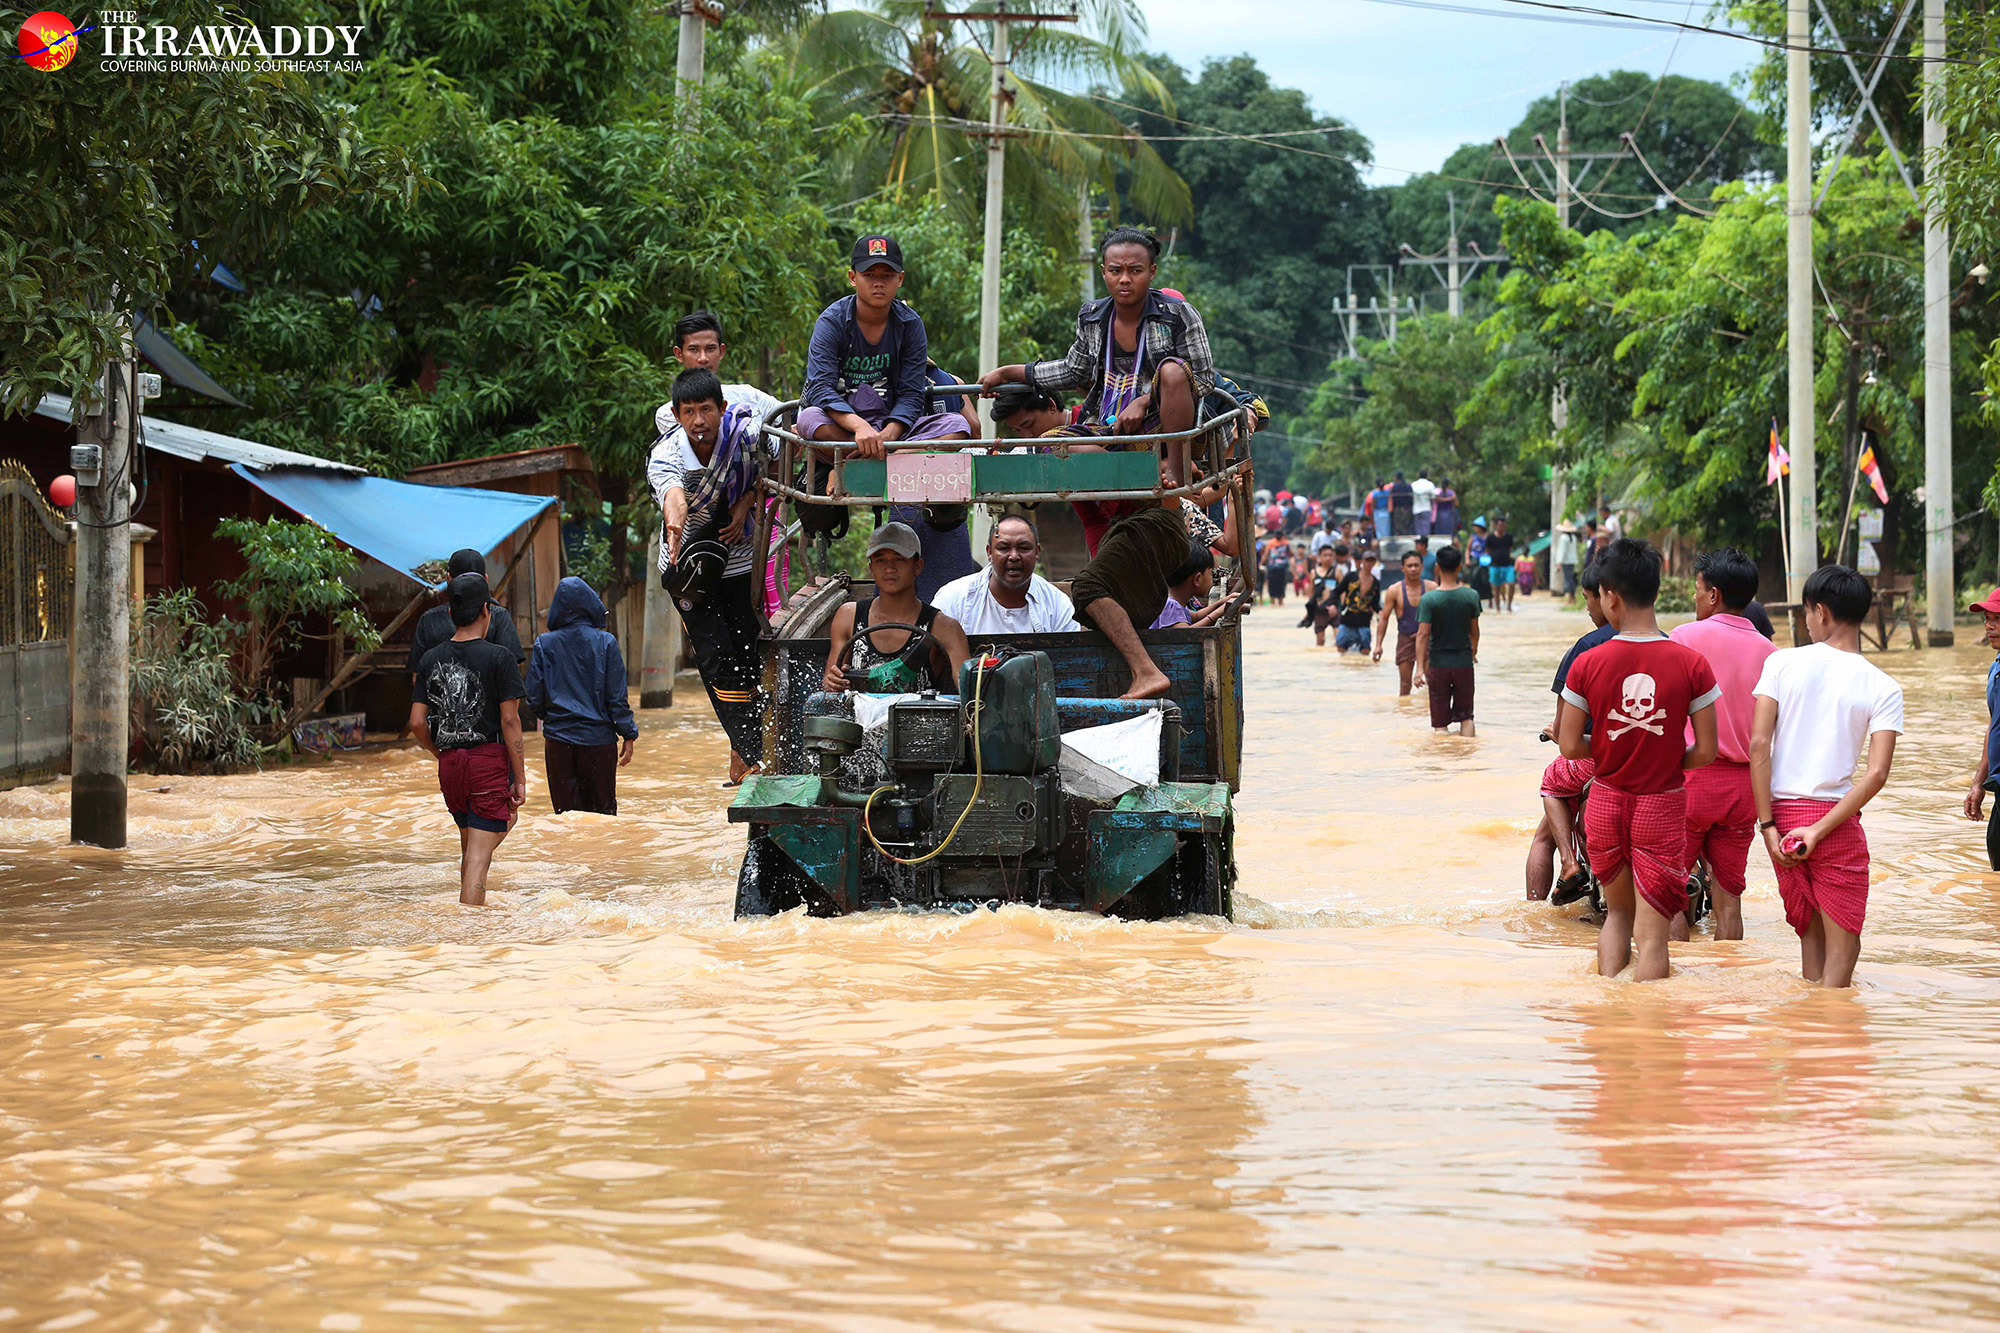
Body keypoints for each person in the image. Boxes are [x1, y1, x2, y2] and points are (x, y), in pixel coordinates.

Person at [1555, 538, 1720, 981]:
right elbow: (1706, 749)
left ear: (1610, 595)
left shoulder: (1588, 661)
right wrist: (1663, 753)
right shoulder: (1692, 663)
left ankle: (1610, 1013)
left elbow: (1569, 745)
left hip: (1606, 801)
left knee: (1617, 916)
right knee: (1653, 934)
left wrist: (1609, 746)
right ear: (1657, 589)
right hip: (1662, 803)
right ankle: (1649, 1028)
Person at [1750, 565, 1903, 988]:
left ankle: (1809, 1037)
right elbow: (1875, 775)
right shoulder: (1883, 685)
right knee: (1845, 945)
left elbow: (1759, 745)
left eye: (1806, 613)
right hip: (1834, 820)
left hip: (1779, 815)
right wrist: (1818, 830)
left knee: (1810, 935)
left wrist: (1767, 826)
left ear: (1820, 611)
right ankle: (1829, 1036)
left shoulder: (1780, 662)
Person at [978, 225, 1213, 497]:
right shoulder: (1091, 316)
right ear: (1104, 272)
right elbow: (1072, 370)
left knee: (1172, 370)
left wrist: (1145, 400)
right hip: (1111, 427)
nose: (1125, 279)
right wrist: (1009, 372)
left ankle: (1176, 469)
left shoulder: (1178, 314)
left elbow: (1204, 379)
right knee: (1053, 442)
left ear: (1152, 272)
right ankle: (1144, 472)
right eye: (1116, 271)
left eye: (1135, 271)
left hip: (1168, 428)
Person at [654, 369, 770, 784]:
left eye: (706, 409)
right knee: (715, 660)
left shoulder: (747, 436)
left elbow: (769, 470)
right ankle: (756, 755)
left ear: (721, 409)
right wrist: (674, 523)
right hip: (687, 569)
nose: (699, 420)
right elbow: (672, 494)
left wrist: (745, 504)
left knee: (751, 654)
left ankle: (764, 746)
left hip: (739, 562)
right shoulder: (666, 455)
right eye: (689, 412)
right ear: (676, 415)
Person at [1667, 548, 1778, 940]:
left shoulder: (1683, 637)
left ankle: (1677, 988)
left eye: (1697, 590)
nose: (1694, 598)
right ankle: (1729, 984)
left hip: (1691, 780)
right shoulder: (1772, 653)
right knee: (1729, 897)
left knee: (1669, 893)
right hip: (1745, 789)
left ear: (1713, 594)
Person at [798, 234, 974, 463]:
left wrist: (887, 436)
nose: (878, 283)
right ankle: (891, 462)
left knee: (958, 425)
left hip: (894, 430)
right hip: (845, 428)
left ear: (900, 279)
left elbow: (911, 394)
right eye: (869, 275)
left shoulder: (910, 324)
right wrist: (860, 427)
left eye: (887, 276)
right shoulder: (832, 321)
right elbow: (821, 388)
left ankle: (882, 460)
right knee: (809, 419)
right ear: (853, 277)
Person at [410, 573, 528, 906]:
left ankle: (465, 926)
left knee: (470, 848)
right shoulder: (500, 657)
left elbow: (417, 722)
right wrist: (519, 778)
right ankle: (470, 937)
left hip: (449, 764)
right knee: (480, 857)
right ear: (487, 612)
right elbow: (510, 720)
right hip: (487, 763)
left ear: (450, 614)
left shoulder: (430, 659)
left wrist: (440, 753)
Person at [1527, 559, 1614, 902]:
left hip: (1593, 762)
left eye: (1588, 599)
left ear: (1607, 598)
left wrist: (1557, 732)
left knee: (1549, 798)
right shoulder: (1668, 642)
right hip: (1652, 763)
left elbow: (1566, 732)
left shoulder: (1586, 647)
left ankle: (1567, 864)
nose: (1588, 608)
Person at [522, 577, 638, 816]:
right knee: (603, 818)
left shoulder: (544, 644)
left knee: (566, 818)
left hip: (558, 743)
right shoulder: (606, 642)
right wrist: (628, 733)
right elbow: (616, 698)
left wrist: (555, 718)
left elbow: (533, 698)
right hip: (599, 742)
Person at [822, 523, 973, 693]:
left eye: (899, 559)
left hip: (920, 718)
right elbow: (830, 684)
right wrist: (834, 681)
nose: (889, 568)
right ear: (871, 567)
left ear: (918, 566)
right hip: (859, 719)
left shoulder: (944, 627)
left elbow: (970, 696)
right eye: (880, 560)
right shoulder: (849, 616)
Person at [930, 514, 1080, 635]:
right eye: (1004, 548)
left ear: (1037, 553)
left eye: (1023, 548)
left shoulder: (1057, 604)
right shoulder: (954, 599)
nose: (1014, 556)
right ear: (989, 553)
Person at [408, 549, 525, 687]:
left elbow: (417, 680)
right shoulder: (498, 615)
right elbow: (513, 679)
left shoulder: (428, 620)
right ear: (485, 579)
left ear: (448, 579)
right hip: (491, 707)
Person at [1415, 544, 1481, 736]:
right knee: (1466, 717)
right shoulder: (1471, 596)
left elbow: (1422, 634)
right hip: (1463, 663)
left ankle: (1443, 758)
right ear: (1460, 566)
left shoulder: (1429, 600)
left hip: (1438, 665)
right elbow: (1474, 631)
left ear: (1437, 567)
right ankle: (1467, 758)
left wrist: (1420, 667)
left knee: (1440, 722)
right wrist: (1473, 652)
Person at [1965, 590, 2000, 869]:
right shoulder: (1996, 668)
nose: (1989, 626)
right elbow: (1994, 723)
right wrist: (1979, 783)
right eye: (1987, 619)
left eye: (1998, 619)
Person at [1373, 549, 1435, 697]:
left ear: (1422, 567)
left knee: (1433, 682)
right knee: (1405, 684)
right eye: (1409, 566)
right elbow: (1384, 618)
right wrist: (1378, 645)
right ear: (1403, 568)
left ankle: (1432, 714)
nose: (1413, 569)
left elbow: (1444, 617)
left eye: (1416, 565)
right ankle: (1404, 714)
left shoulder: (1432, 588)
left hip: (1428, 639)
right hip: (1406, 640)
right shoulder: (1394, 590)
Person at [1152, 547, 1230, 629]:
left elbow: (1196, 616)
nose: (1212, 579)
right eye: (1210, 573)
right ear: (1197, 579)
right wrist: (1217, 613)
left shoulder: (1176, 603)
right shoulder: (1171, 606)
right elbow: (1185, 633)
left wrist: (1223, 602)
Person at [1331, 557, 1379, 655]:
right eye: (1367, 560)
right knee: (1340, 648)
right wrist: (1333, 606)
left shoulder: (1375, 582)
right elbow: (1337, 591)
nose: (1369, 564)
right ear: (1362, 561)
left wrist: (1381, 613)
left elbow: (1375, 604)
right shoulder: (1351, 577)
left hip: (1364, 620)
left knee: (1365, 650)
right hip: (1347, 618)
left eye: (1372, 561)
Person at [1486, 516, 1517, 612]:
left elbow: (1510, 548)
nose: (1501, 527)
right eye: (1500, 525)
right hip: (1495, 565)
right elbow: (1488, 550)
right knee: (1496, 587)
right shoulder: (1490, 537)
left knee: (1511, 584)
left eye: (1503, 525)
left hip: (1507, 565)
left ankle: (1509, 605)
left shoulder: (1508, 537)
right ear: (1496, 526)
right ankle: (1498, 607)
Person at [1262, 534, 1292, 607]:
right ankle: (1280, 601)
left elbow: (1266, 554)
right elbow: (1290, 553)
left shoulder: (1271, 543)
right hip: (1282, 567)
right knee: (1281, 584)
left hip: (1272, 567)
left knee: (1272, 584)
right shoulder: (1285, 543)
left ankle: (1272, 601)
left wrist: (1261, 563)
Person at [1411, 470, 1437, 537]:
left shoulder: (1414, 485)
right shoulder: (1430, 485)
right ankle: (1425, 543)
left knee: (1418, 528)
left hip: (1416, 508)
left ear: (1418, 476)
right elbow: (1434, 497)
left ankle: (1419, 543)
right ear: (1427, 476)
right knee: (1426, 528)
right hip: (1426, 508)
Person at [1432, 478, 1458, 542]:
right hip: (1443, 512)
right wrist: (1450, 498)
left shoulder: (1448, 492)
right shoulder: (1448, 493)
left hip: (1447, 512)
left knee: (1445, 529)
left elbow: (1456, 503)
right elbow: (1436, 499)